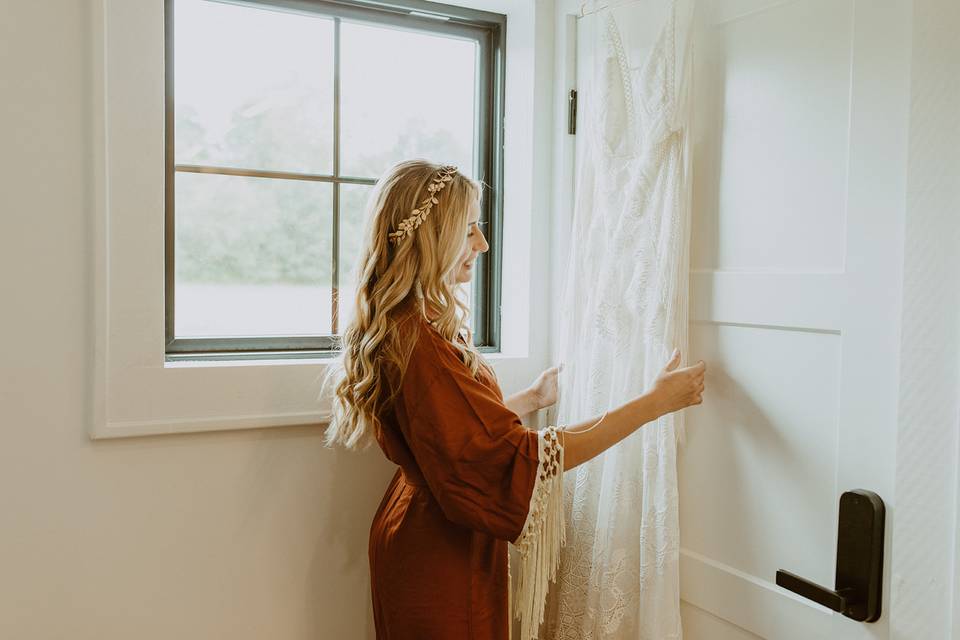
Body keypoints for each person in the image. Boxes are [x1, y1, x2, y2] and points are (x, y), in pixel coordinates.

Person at [319, 159, 706, 639]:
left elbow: (447, 427)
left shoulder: (406, 325)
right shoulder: (417, 341)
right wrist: (653, 403)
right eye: (469, 230)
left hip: (422, 526)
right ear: (429, 238)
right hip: (439, 550)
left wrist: (526, 399)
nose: (481, 243)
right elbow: (513, 456)